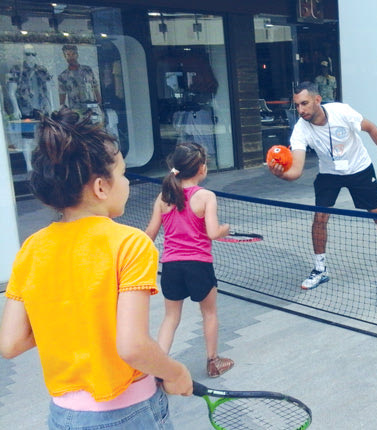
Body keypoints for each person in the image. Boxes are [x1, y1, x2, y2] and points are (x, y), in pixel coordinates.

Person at [0, 108, 192, 429]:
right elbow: (132, 346)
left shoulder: (31, 248)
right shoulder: (130, 243)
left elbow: (10, 343)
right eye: (124, 173)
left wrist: (72, 315)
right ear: (101, 187)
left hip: (63, 416)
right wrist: (177, 373)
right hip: (127, 413)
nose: (128, 182)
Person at [268, 81, 377, 290]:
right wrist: (281, 175)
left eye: (304, 104)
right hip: (329, 174)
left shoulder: (341, 112)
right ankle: (320, 269)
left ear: (317, 100)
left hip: (359, 168)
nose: (301, 110)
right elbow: (296, 171)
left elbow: (371, 128)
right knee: (319, 219)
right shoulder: (300, 130)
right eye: (297, 105)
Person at [144, 141, 234, 378]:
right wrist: (225, 229)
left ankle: (159, 368)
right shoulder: (206, 196)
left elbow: (148, 236)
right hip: (199, 265)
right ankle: (213, 362)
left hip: (171, 267)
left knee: (171, 317)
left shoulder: (164, 197)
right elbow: (213, 233)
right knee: (210, 313)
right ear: (202, 168)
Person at [58, 44, 103, 123]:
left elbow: (95, 88)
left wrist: (100, 106)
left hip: (91, 110)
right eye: (68, 55)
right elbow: (62, 95)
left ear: (77, 55)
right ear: (65, 57)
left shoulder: (87, 70)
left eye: (73, 54)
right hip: (75, 112)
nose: (71, 57)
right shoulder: (63, 76)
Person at [7, 44, 52, 120]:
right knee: (27, 129)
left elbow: (48, 91)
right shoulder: (16, 70)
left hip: (42, 110)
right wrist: (16, 109)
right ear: (23, 55)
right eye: (28, 54)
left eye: (33, 54)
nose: (31, 56)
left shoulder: (42, 70)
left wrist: (51, 107)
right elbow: (11, 92)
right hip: (24, 110)